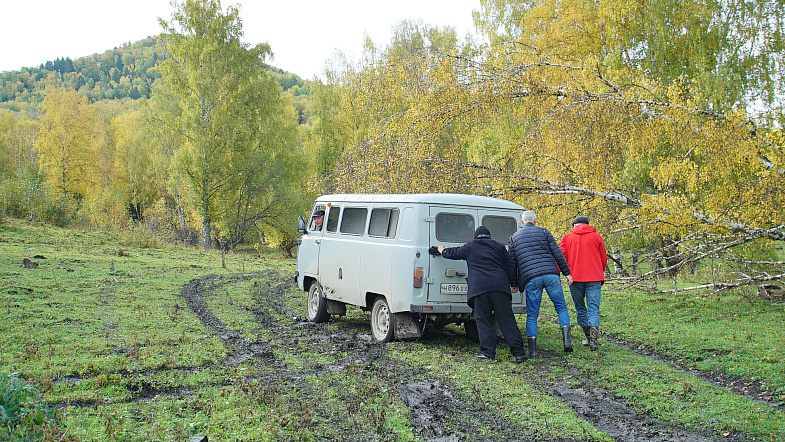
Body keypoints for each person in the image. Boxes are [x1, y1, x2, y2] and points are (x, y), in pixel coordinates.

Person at [431, 226, 527, 363]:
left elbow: (452, 253)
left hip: (480, 289)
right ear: (489, 236)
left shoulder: (471, 246)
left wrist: (441, 249)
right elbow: (510, 265)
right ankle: (519, 353)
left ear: (476, 236)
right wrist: (513, 283)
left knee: (483, 321)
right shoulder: (499, 246)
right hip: (500, 288)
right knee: (507, 320)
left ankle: (488, 353)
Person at [508, 210, 573, 358]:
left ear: (522, 221)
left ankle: (533, 351)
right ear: (535, 220)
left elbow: (512, 263)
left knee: (532, 314)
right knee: (561, 307)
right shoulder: (544, 232)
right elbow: (557, 253)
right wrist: (567, 273)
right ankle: (567, 342)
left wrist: (513, 283)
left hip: (531, 278)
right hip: (551, 275)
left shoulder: (514, 238)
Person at [560, 216, 607, 351]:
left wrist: (565, 273)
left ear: (575, 225)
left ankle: (588, 337)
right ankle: (593, 341)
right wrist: (600, 270)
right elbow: (603, 258)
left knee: (580, 308)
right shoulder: (596, 236)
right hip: (594, 277)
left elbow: (561, 257)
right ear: (587, 224)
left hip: (575, 278)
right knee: (593, 309)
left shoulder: (567, 237)